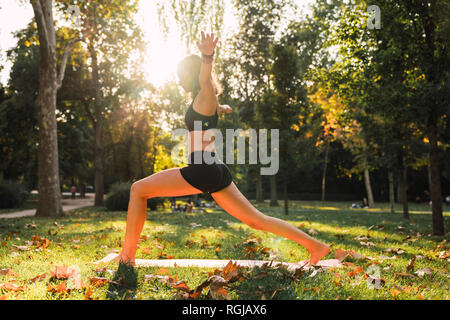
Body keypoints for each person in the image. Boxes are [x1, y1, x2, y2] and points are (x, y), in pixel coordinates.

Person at [102, 31, 329, 266]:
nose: (178, 80)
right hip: (213, 168)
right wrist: (223, 108)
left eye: (180, 75)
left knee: (138, 190)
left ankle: (127, 257)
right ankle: (317, 247)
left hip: (202, 168)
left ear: (191, 74)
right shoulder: (204, 100)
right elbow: (212, 107)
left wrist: (207, 56)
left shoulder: (204, 91)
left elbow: (206, 82)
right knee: (256, 220)